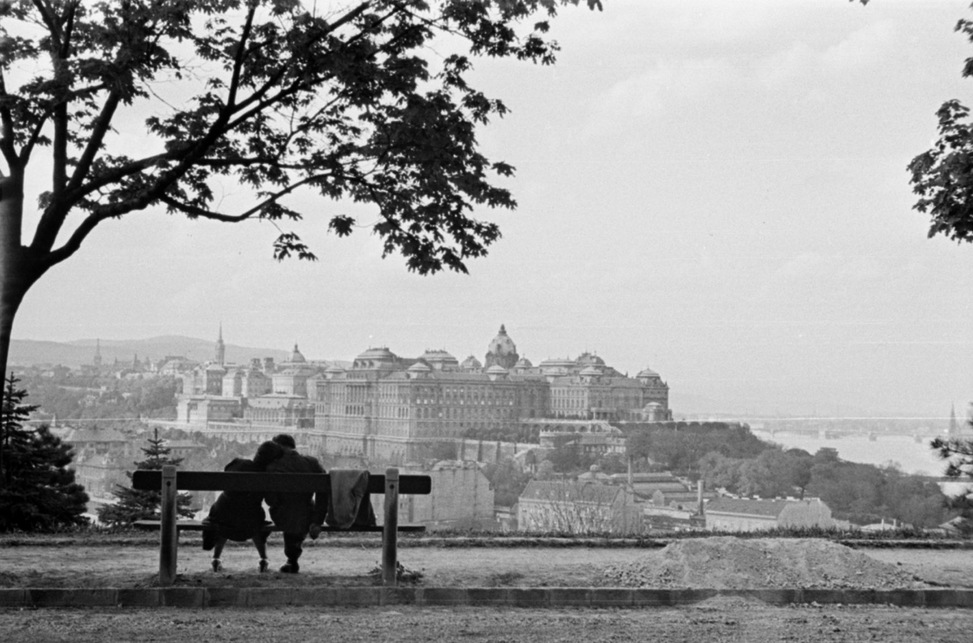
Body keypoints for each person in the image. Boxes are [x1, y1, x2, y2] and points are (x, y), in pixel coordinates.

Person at [202, 440, 283, 573]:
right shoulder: (267, 477)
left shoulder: (238, 463)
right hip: (249, 522)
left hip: (222, 515)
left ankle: (216, 558)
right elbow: (270, 501)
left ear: (258, 453)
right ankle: (263, 559)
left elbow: (225, 474)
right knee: (256, 519)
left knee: (226, 513)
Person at [263, 433, 327, 573]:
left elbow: (270, 499)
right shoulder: (312, 463)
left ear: (278, 447)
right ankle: (292, 559)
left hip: (282, 514)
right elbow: (324, 491)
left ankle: (291, 559)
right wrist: (317, 519)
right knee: (299, 512)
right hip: (307, 512)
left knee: (288, 512)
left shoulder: (273, 466)